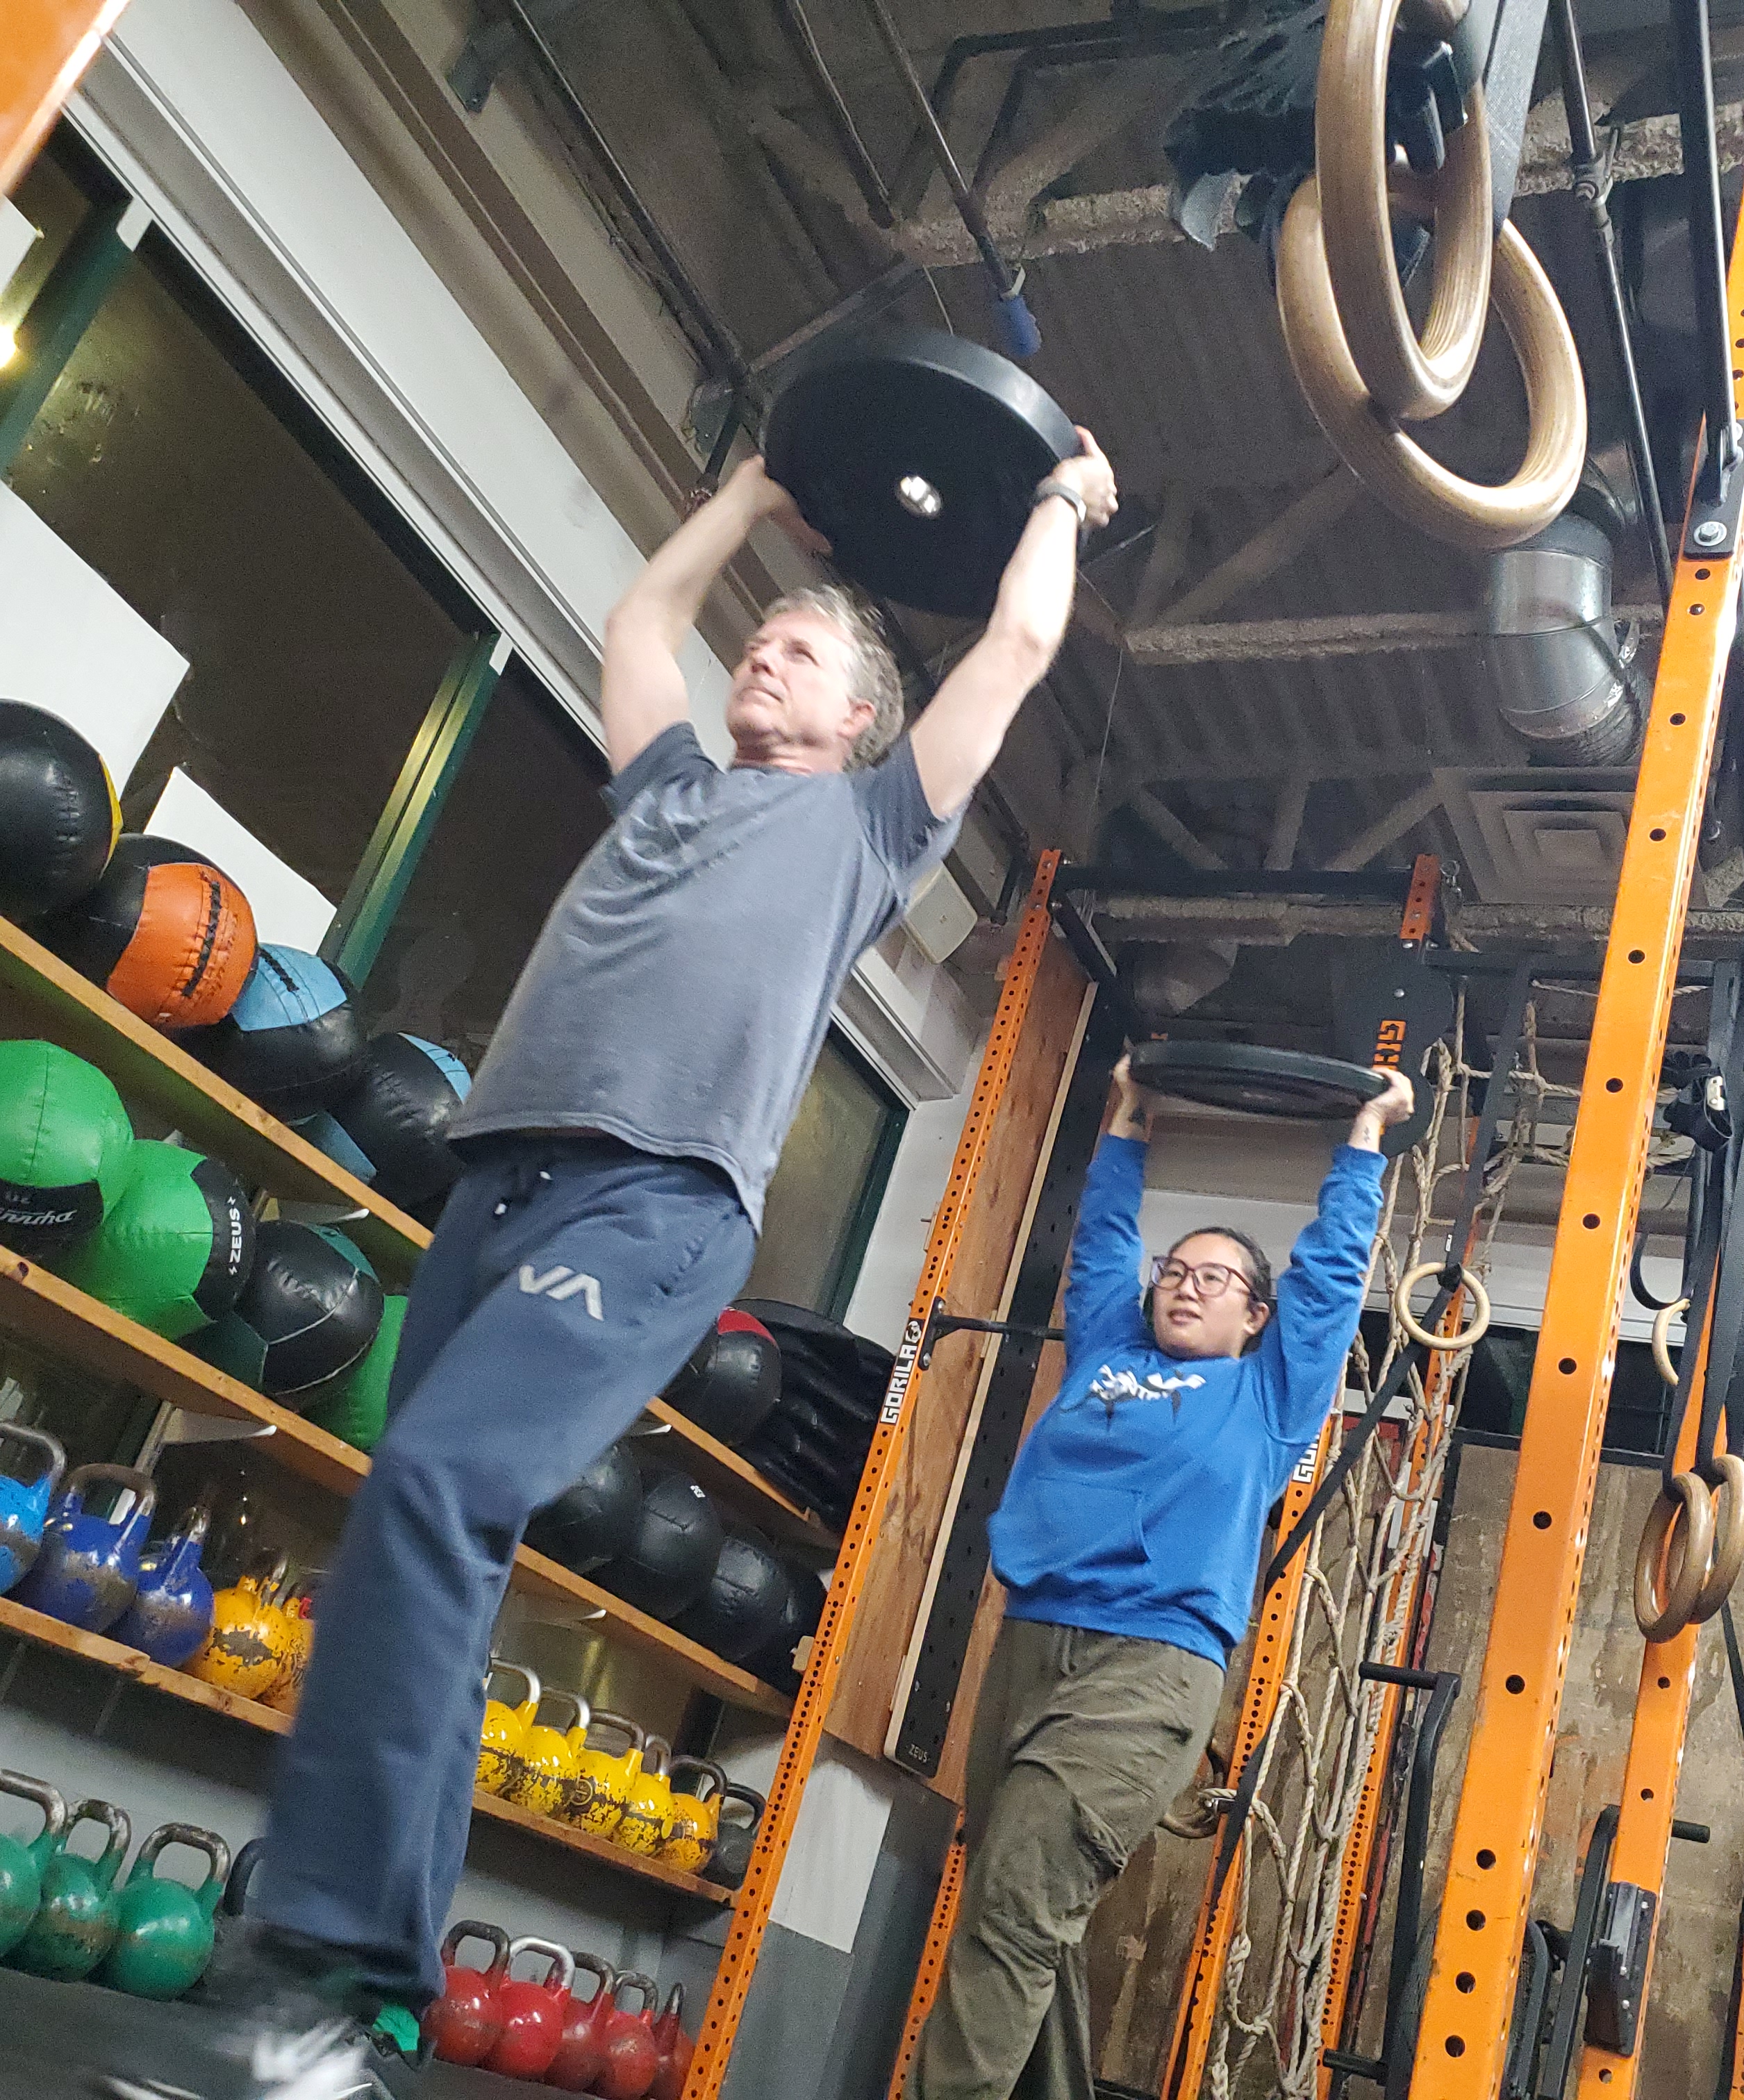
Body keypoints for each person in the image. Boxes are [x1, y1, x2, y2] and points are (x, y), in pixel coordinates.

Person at [97, 432, 1119, 2100]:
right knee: (426, 1529)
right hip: (500, 1187)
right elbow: (639, 631)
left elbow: (1013, 650)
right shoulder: (672, 789)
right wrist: (742, 503)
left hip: (654, 1210)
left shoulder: (873, 828)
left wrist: (1060, 500)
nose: (763, 652)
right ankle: (375, 2020)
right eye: (765, 638)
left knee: (434, 1485)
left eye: (800, 651)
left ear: (861, 716)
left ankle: (320, 1974)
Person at [904, 1051, 1415, 2100]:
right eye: (1177, 1271)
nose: (1187, 1286)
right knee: (1019, 1917)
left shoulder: (1268, 1396)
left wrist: (1363, 1140)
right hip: (1030, 1647)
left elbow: (1326, 1280)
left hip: (1149, 1669)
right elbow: (1100, 1248)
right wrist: (1128, 1120)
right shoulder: (1106, 1345)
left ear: (1254, 1318)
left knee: (1012, 1906)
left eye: (1217, 1279)